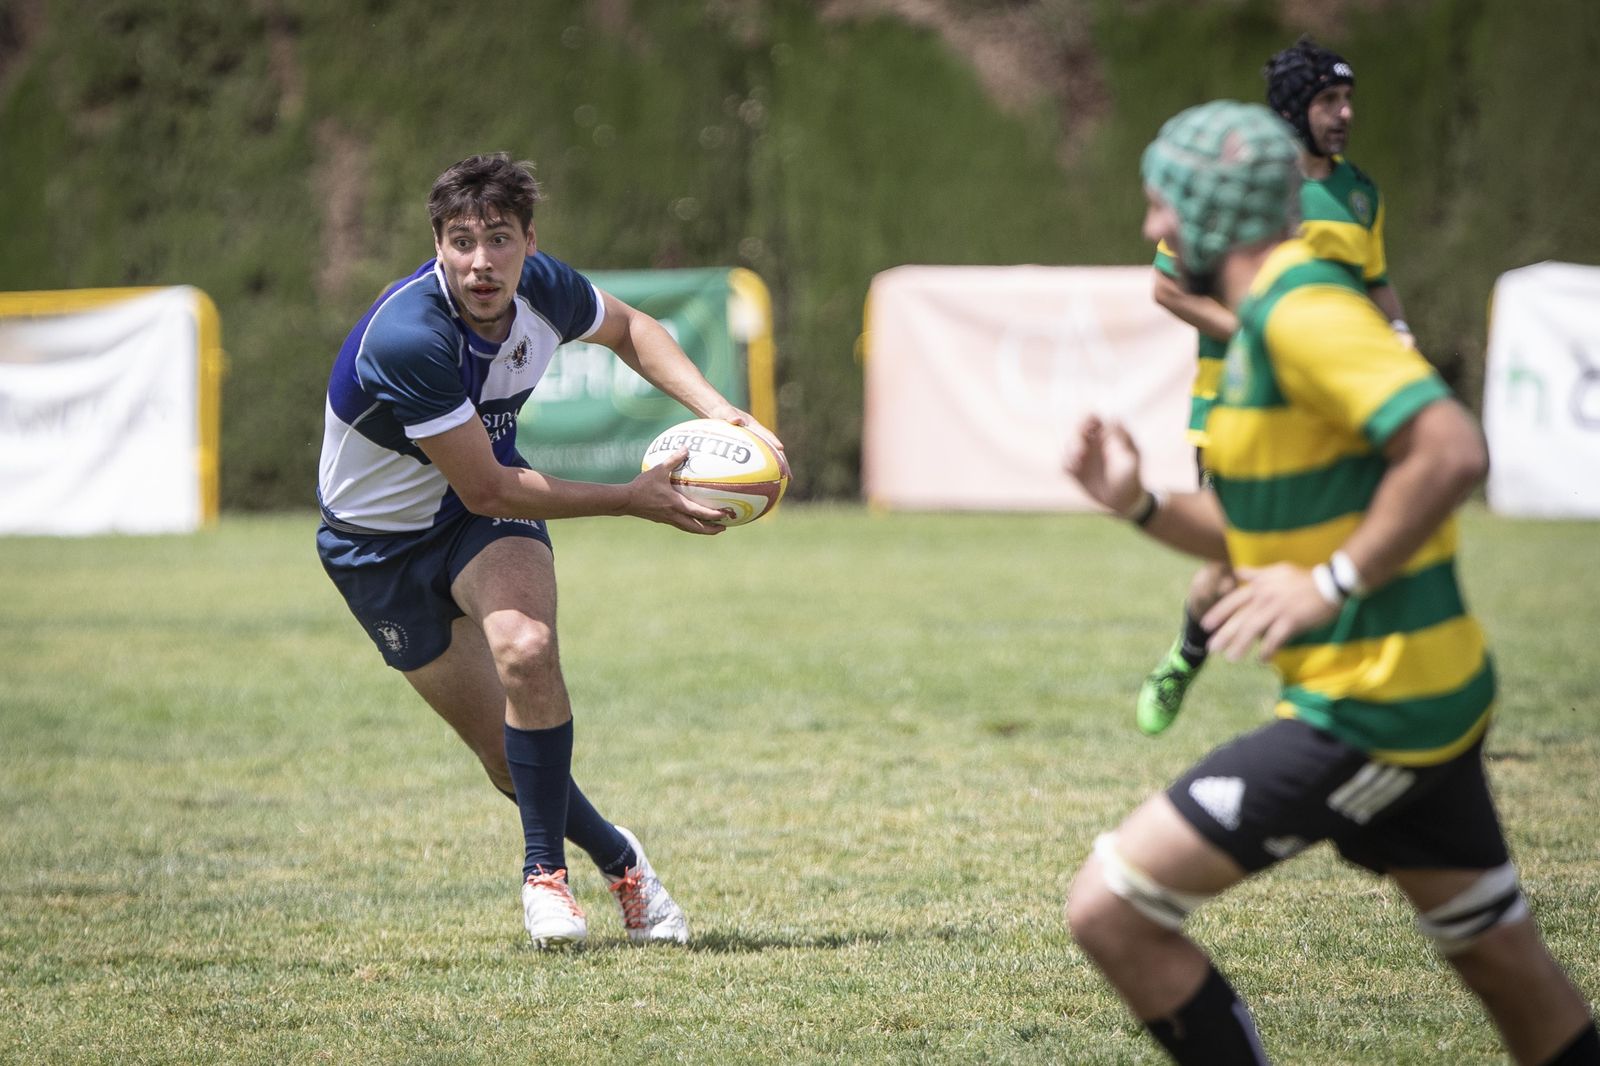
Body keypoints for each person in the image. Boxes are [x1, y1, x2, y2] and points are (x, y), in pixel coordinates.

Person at [1063, 100, 1598, 1064]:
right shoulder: (1263, 329)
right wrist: (1138, 502)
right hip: (1417, 696)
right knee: (1506, 968)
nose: (1153, 230)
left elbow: (1450, 448)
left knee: (1112, 907)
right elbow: (1250, 530)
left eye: (1163, 207)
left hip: (1371, 710)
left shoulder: (1305, 312)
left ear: (1210, 213)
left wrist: (1334, 579)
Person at [315, 153, 784, 949]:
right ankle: (620, 858)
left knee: (526, 652)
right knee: (507, 762)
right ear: (437, 244)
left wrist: (724, 414)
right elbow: (490, 488)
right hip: (377, 549)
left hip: (470, 521)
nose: (481, 261)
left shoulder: (546, 289)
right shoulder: (408, 336)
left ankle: (544, 877)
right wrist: (631, 500)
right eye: (461, 241)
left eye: (499, 239)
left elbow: (633, 329)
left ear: (529, 241)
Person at [1135, 37, 1416, 736]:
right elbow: (1166, 287)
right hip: (1236, 408)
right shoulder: (1242, 189)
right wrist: (1261, 334)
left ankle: (1343, 703)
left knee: (1349, 545)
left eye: (1348, 99)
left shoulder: (1359, 193)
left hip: (1338, 410)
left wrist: (1400, 335)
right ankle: (1186, 654)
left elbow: (1374, 283)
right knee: (1240, 558)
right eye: (1328, 99)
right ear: (1293, 105)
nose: (1343, 113)